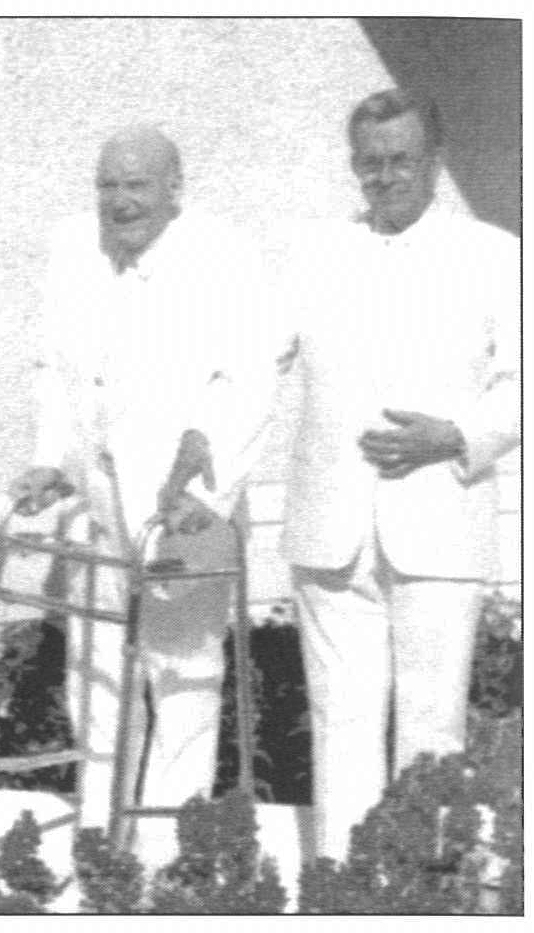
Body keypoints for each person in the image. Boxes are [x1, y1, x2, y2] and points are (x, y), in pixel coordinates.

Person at [9, 125, 283, 879]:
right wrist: (47, 461)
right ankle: (98, 847)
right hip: (99, 503)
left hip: (185, 506)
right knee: (95, 678)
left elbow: (253, 378)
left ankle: (166, 861)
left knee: (184, 675)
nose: (119, 200)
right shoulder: (74, 249)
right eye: (107, 184)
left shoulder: (224, 255)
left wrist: (209, 484)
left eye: (137, 185)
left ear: (174, 188)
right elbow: (55, 373)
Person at [278, 89, 519, 864]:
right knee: (339, 716)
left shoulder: (495, 254)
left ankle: (423, 885)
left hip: (441, 517)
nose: (385, 178)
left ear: (436, 164)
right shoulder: (314, 252)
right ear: (354, 166)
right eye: (370, 163)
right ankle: (346, 887)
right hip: (330, 526)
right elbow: (252, 365)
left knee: (431, 720)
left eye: (401, 161)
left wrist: (457, 434)